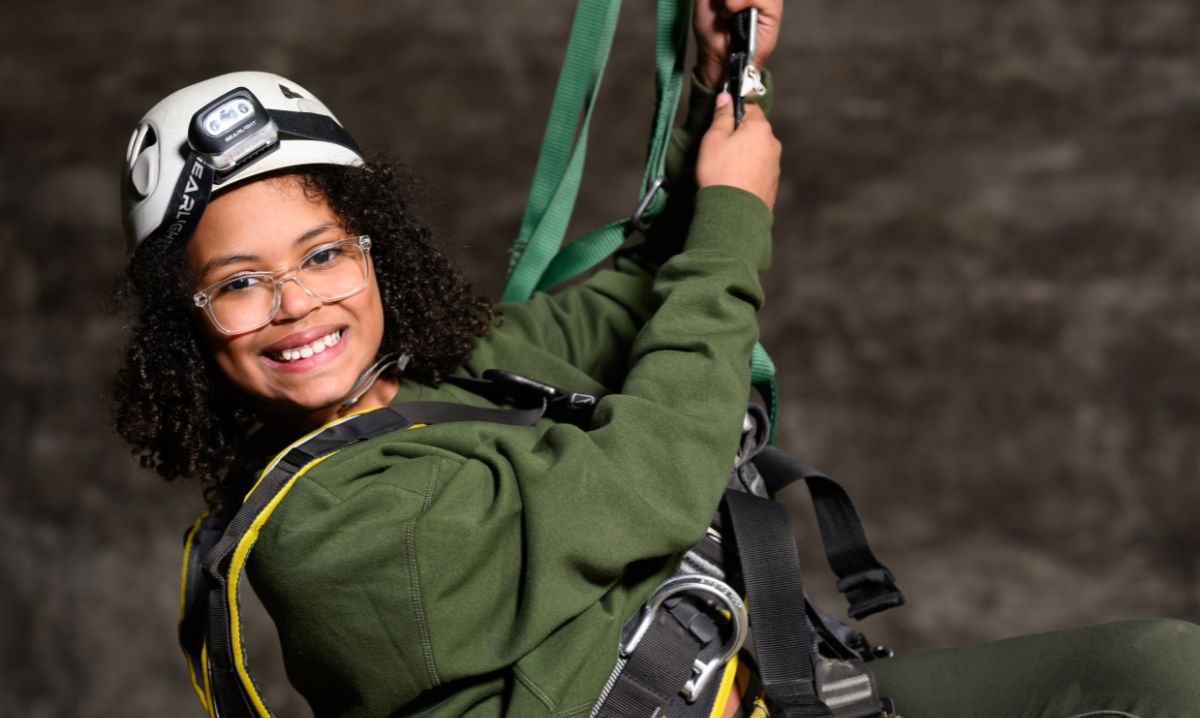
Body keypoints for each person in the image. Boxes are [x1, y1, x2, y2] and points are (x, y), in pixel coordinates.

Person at [113, 1, 1200, 716]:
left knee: (1155, 673)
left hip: (763, 693)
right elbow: (654, 477)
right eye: (237, 280)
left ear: (375, 251)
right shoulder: (326, 532)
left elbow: (641, 294)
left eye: (320, 253)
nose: (295, 302)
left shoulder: (426, 386)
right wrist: (735, 214)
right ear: (186, 327)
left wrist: (725, 84)